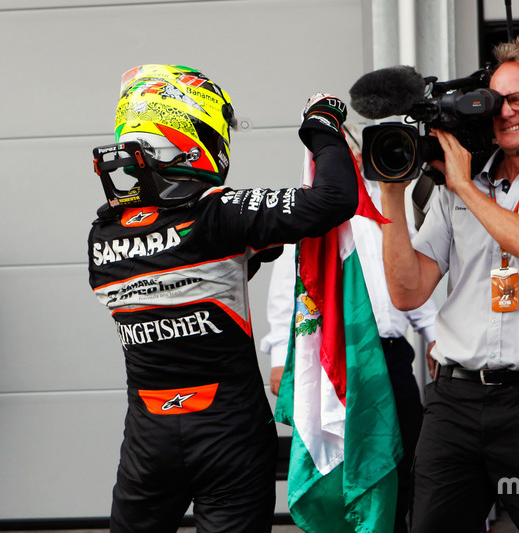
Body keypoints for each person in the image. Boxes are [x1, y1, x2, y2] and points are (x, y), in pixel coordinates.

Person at [86, 64, 357, 532]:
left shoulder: (101, 234)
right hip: (228, 431)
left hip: (148, 438)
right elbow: (333, 199)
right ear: (194, 131)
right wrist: (323, 128)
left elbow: (201, 269)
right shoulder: (217, 215)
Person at [379, 37, 519, 532]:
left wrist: (464, 185)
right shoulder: (453, 187)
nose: (505, 112)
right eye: (496, 100)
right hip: (453, 402)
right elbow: (408, 291)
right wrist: (393, 198)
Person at [260, 124, 438, 533]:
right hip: (335, 359)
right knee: (343, 466)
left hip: (390, 359)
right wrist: (277, 355)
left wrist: (435, 337)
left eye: (354, 153)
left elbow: (412, 279)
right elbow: (290, 287)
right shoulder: (310, 215)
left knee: (401, 458)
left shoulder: (387, 209)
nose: (351, 162)